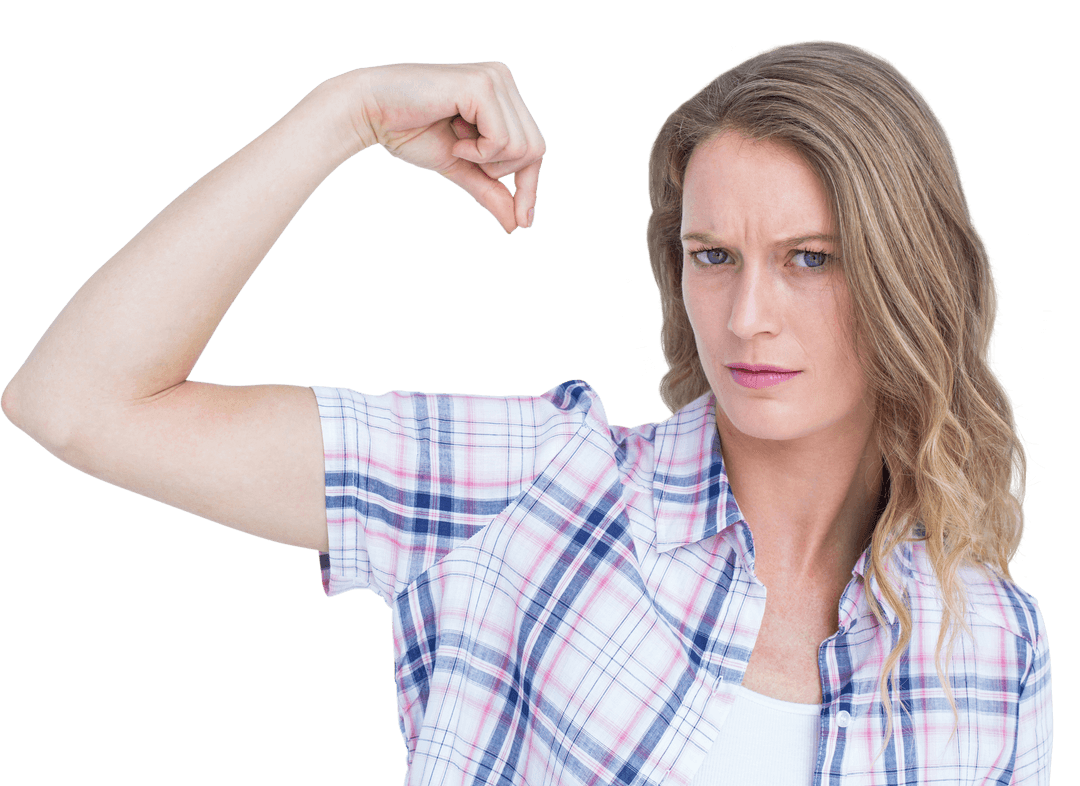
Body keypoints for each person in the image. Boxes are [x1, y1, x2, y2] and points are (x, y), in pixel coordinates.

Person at [1, 40, 1052, 785]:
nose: (748, 317)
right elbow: (78, 402)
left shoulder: (994, 645)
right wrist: (344, 114)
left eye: (810, 260)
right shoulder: (535, 485)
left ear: (909, 278)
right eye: (712, 257)